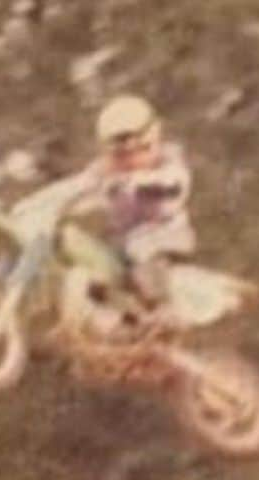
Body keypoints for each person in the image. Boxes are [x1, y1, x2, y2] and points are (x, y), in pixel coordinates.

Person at [59, 95, 196, 323]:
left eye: (140, 150)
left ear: (154, 140)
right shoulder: (105, 171)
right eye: (121, 154)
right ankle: (114, 319)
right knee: (92, 261)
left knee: (142, 248)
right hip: (120, 241)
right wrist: (57, 199)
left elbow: (174, 184)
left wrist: (136, 183)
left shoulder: (170, 165)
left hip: (165, 235)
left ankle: (163, 308)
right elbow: (79, 185)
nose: (131, 159)